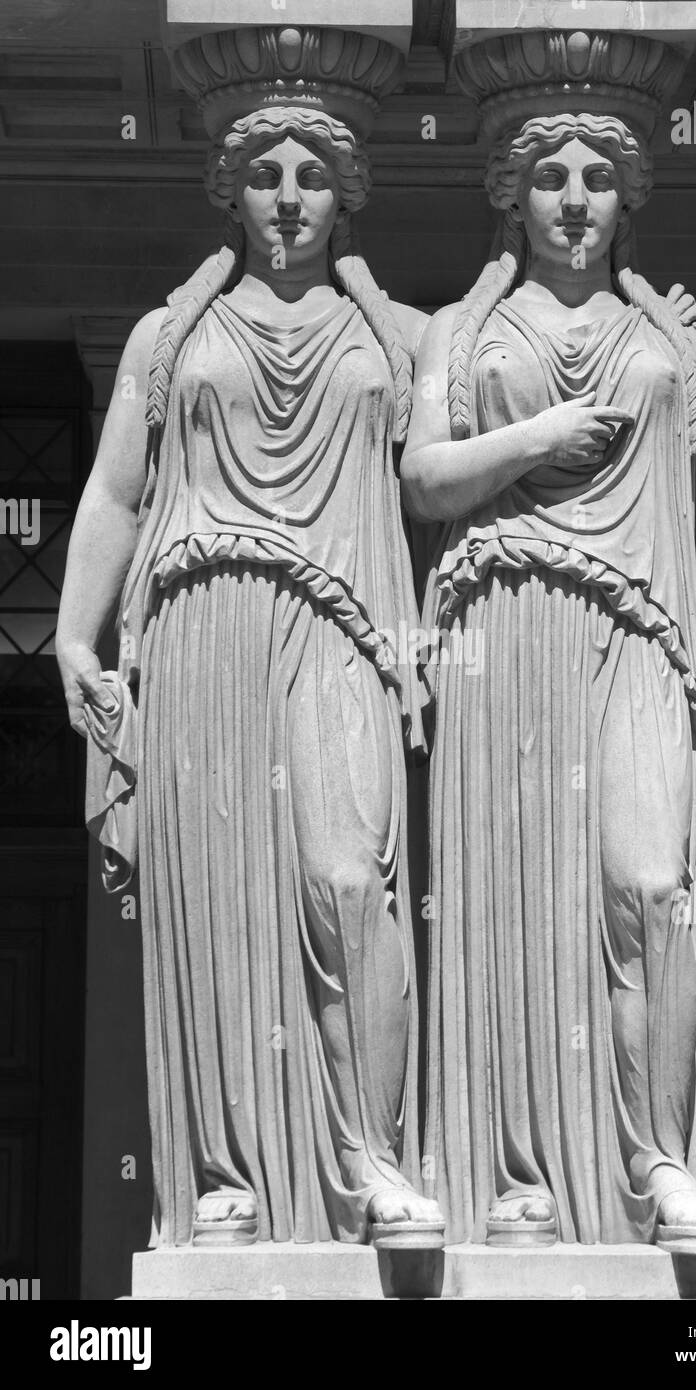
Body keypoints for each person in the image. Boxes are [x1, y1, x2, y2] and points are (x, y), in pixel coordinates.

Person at [56, 103, 444, 1248]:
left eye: (313, 174)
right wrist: (77, 638)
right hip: (198, 623)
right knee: (218, 906)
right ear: (232, 189)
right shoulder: (167, 336)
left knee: (344, 878)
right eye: (267, 172)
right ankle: (227, 1177)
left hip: (344, 627)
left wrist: (627, 302)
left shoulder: (398, 338)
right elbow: (118, 493)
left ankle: (370, 1152)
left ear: (347, 191)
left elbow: (492, 369)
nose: (288, 192)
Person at [401, 112, 696, 1247]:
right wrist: (533, 438)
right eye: (551, 177)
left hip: (643, 637)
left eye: (597, 177)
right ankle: (517, 1174)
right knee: (510, 899)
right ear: (511, 194)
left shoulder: (673, 340)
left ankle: (657, 1161)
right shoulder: (460, 333)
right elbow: (422, 478)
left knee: (648, 886)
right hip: (503, 628)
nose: (573, 196)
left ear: (627, 194)